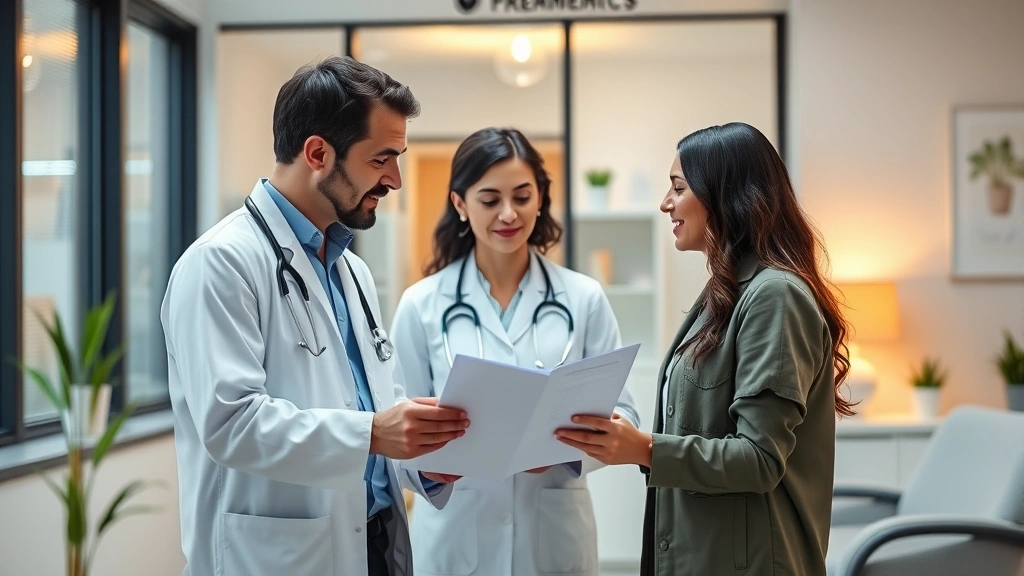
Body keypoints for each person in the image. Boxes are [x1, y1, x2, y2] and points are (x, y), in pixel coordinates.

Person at [160, 56, 470, 576]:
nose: (395, 180)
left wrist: (419, 458)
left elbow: (367, 407)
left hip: (372, 546)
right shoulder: (221, 262)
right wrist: (374, 432)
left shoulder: (350, 270)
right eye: (381, 159)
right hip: (277, 555)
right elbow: (231, 423)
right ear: (318, 153)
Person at [555, 122, 852, 575]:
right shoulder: (726, 293)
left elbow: (758, 458)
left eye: (678, 187)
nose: (665, 203)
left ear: (724, 195)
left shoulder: (775, 296)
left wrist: (644, 448)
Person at [389, 127, 640, 576]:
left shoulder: (582, 298)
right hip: (454, 537)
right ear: (460, 204)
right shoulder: (422, 304)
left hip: (553, 540)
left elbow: (625, 417)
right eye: (489, 200)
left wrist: (564, 452)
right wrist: (431, 471)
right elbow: (395, 430)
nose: (508, 213)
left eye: (522, 197)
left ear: (540, 198)